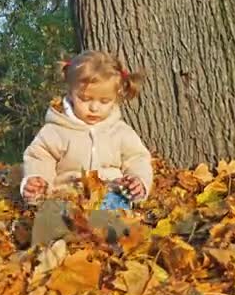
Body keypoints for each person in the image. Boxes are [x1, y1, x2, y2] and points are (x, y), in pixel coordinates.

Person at [20, 50, 153, 210]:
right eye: (85, 99)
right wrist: (37, 180)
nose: (94, 107)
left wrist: (138, 181)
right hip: (67, 196)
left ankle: (110, 231)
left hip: (110, 193)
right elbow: (39, 157)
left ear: (115, 98)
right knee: (56, 216)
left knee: (114, 212)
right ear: (70, 93)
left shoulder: (120, 132)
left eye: (104, 101)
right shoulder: (56, 130)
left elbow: (137, 159)